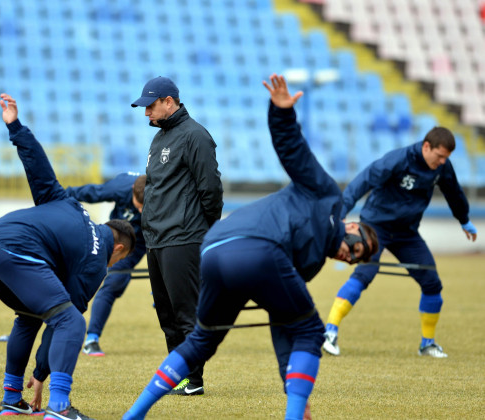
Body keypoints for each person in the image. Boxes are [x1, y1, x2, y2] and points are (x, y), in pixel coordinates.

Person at [122, 74, 378, 420]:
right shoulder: (328, 197)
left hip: (208, 243)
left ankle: (140, 410)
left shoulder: (312, 262)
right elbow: (294, 153)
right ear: (352, 226)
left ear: (169, 101)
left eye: (355, 261)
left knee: (201, 336)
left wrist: (205, 229)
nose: (351, 256)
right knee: (308, 329)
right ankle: (295, 409)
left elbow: (281, 320)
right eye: (358, 248)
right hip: (223, 243)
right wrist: (283, 114)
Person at [0, 93, 135, 419]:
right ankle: (59, 408)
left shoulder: (70, 205)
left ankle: (10, 400)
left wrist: (15, 126)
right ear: (117, 248)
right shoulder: (95, 262)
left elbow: (39, 168)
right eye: (119, 260)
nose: (114, 264)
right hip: (16, 250)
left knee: (29, 316)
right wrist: (42, 376)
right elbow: (64, 323)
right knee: (72, 321)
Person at [322, 128, 477, 358]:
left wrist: (464, 219)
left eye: (446, 158)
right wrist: (342, 212)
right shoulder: (398, 160)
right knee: (364, 275)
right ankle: (329, 333)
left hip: (407, 233)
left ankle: (427, 344)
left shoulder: (441, 167)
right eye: (440, 156)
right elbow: (362, 181)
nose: (443, 162)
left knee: (432, 283)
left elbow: (453, 192)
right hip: (376, 228)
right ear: (426, 147)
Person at [131, 76, 224, 395]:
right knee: (166, 314)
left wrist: (203, 229)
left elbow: (210, 188)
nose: (146, 113)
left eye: (150, 106)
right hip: (156, 238)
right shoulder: (159, 139)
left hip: (184, 237)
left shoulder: (196, 136)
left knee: (186, 312)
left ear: (169, 102)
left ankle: (193, 378)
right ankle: (177, 372)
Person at [63, 172, 147, 356]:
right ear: (133, 191)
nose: (141, 212)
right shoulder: (119, 187)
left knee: (117, 282)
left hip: (147, 239)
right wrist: (58, 195)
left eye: (145, 207)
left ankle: (91, 339)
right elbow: (89, 192)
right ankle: (87, 337)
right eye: (138, 206)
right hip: (118, 234)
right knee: (102, 278)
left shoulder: (165, 194)